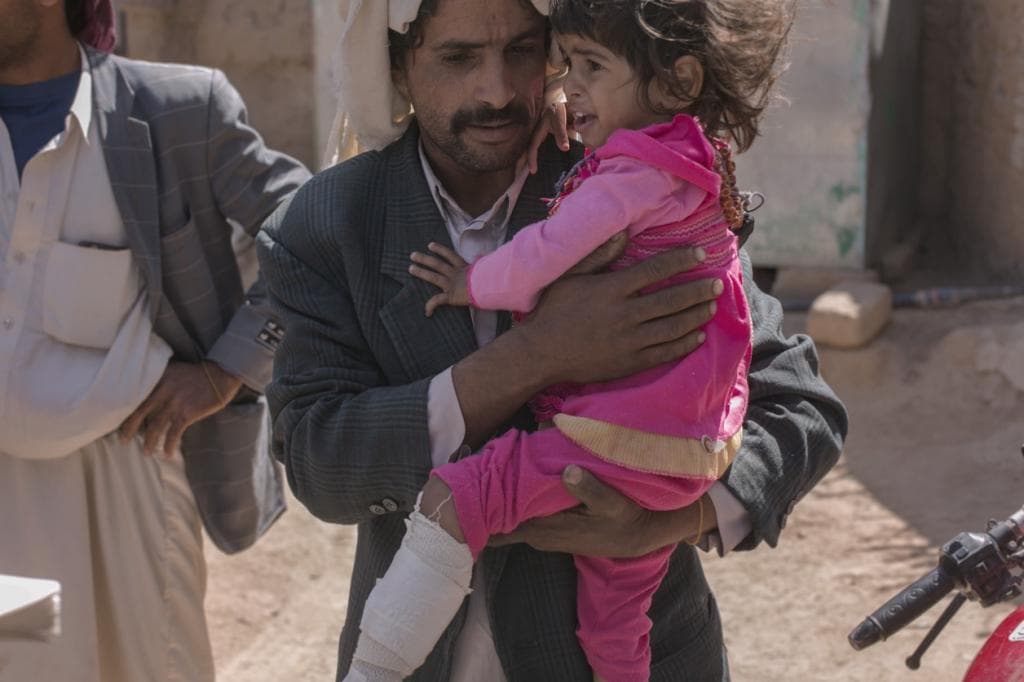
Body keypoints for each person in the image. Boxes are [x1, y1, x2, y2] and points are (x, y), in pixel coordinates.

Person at [258, 0, 847, 680]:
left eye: (522, 52)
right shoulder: (330, 225)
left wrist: (665, 523)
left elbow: (800, 406)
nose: (499, 90)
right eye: (458, 58)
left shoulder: (630, 179)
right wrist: (539, 356)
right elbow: (319, 459)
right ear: (397, 65)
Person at [0, 1, 309, 680]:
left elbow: (311, 230)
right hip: (6, 508)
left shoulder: (173, 109)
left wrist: (228, 369)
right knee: (24, 666)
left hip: (132, 474)